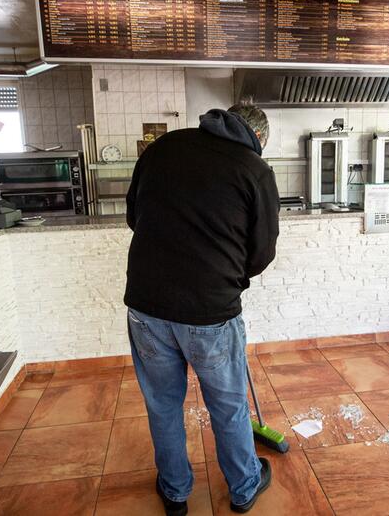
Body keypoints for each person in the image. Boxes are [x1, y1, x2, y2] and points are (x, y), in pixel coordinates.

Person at [124, 102, 280, 515]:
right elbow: (262, 253)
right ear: (258, 137)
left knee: (162, 404)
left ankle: (175, 493)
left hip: (147, 305)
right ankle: (244, 487)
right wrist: (227, 278)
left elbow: (133, 217)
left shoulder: (162, 148)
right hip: (210, 311)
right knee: (227, 405)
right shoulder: (254, 168)